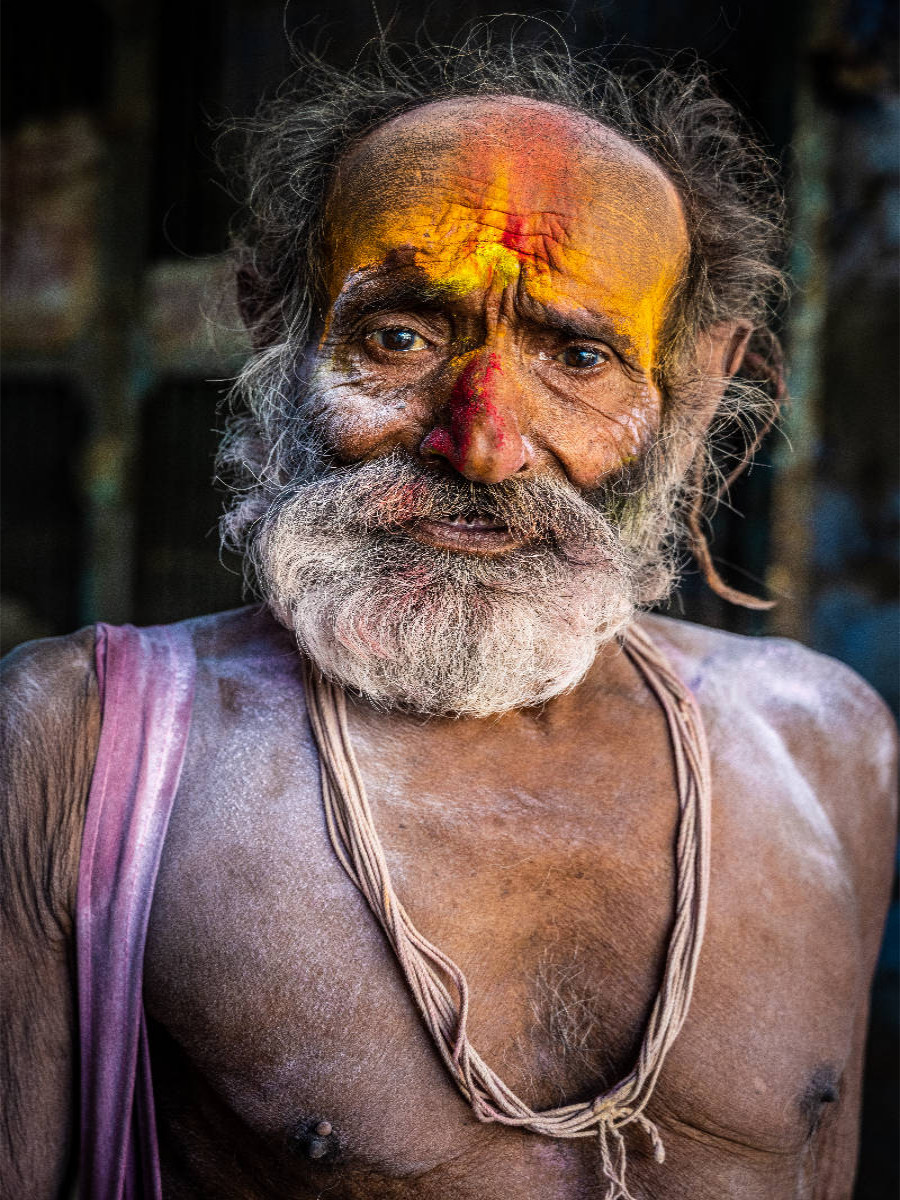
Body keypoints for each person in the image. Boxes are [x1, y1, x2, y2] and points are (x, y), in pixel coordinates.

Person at [2, 37, 896, 1200]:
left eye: (577, 355)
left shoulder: (828, 747)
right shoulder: (74, 744)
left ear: (702, 381)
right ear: (272, 315)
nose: (480, 439)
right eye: (401, 335)